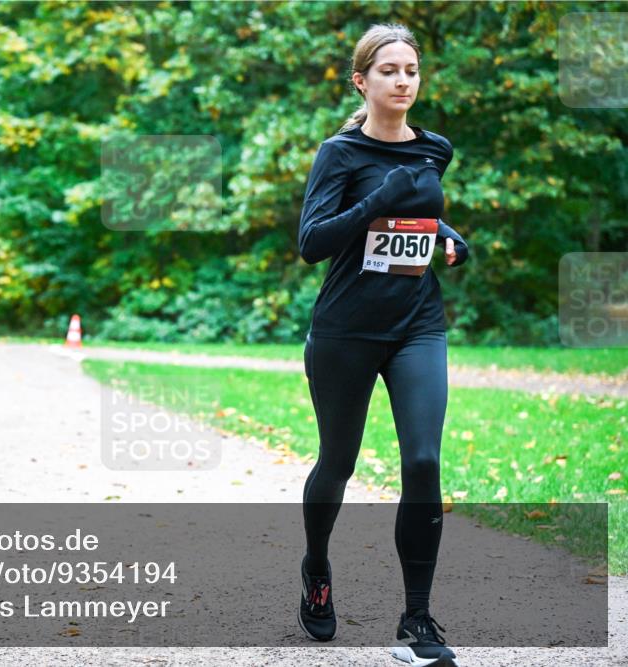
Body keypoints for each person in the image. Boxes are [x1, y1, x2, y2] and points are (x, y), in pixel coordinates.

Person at [296, 24, 468, 667]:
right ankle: (316, 565)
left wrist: (448, 235)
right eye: (389, 70)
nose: (403, 80)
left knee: (423, 461)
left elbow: (419, 215)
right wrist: (380, 198)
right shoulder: (338, 153)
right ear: (362, 81)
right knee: (337, 462)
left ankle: (417, 619)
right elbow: (313, 241)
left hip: (418, 324)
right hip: (345, 331)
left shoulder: (435, 149)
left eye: (412, 70)